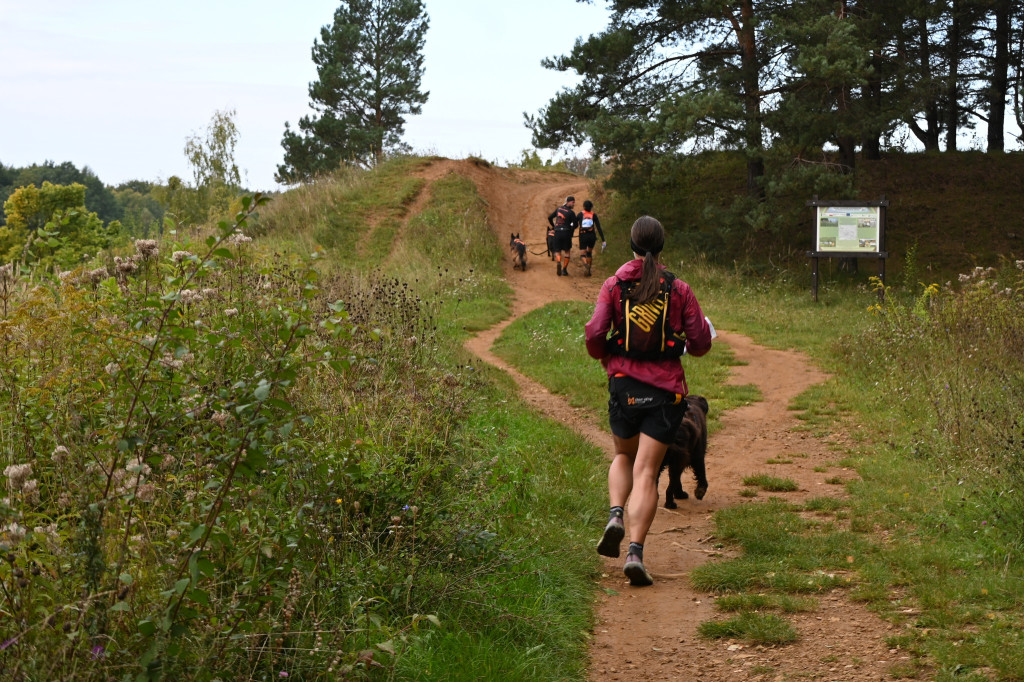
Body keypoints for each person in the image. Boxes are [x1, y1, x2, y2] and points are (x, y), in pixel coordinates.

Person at [584, 216, 713, 586]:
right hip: (664, 392)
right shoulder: (680, 289)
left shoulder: (613, 285)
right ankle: (635, 554)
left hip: (623, 388)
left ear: (631, 245)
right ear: (662, 246)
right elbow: (701, 343)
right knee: (646, 473)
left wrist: (608, 354)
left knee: (624, 456)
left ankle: (614, 515)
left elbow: (594, 335)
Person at [547, 196, 578, 276]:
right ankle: (564, 269)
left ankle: (558, 262)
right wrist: (571, 229)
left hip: (557, 232)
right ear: (567, 202)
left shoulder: (559, 209)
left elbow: (550, 217)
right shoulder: (571, 213)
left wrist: (554, 226)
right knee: (567, 251)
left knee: (557, 251)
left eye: (574, 202)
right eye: (572, 202)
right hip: (566, 233)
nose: (573, 204)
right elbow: (576, 225)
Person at [576, 199, 606, 277]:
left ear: (584, 206)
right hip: (592, 236)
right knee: (589, 253)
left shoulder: (580, 214)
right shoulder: (594, 215)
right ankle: (588, 271)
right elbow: (599, 228)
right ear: (591, 207)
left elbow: (574, 224)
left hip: (583, 236)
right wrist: (603, 240)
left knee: (583, 254)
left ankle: (586, 265)